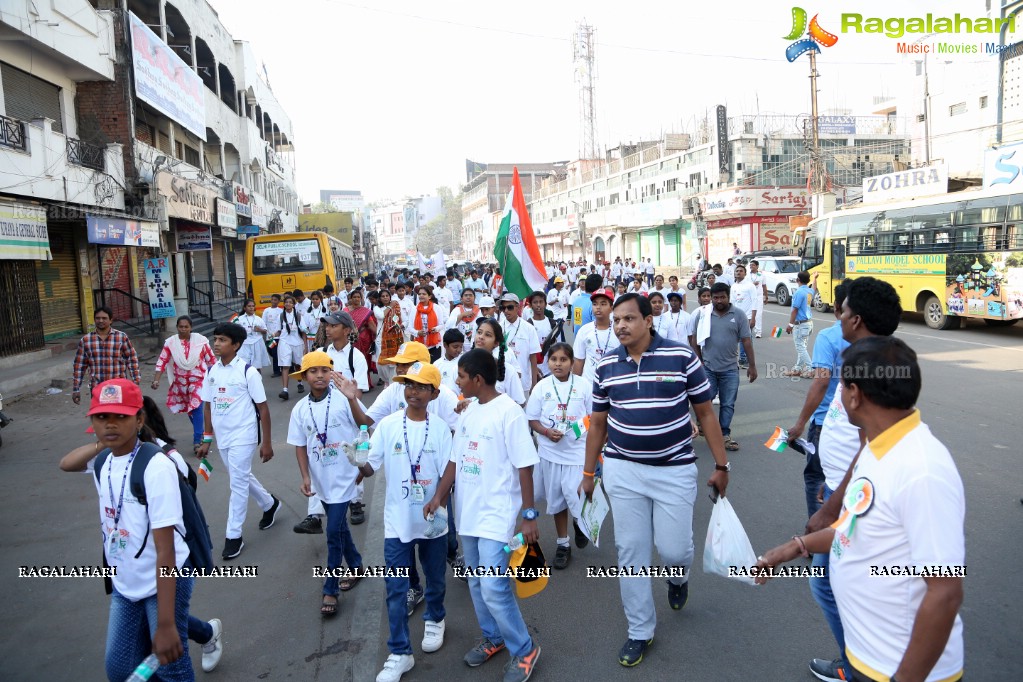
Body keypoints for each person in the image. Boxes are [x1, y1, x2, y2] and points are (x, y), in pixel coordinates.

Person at [755, 337, 964, 682]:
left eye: (840, 386)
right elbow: (858, 530)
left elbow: (945, 591)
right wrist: (795, 547)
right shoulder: (877, 446)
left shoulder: (922, 470)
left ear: (854, 394)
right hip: (867, 658)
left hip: (900, 671)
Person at [581, 293, 731, 668]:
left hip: (674, 471)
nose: (620, 326)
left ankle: (677, 577)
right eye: (616, 321)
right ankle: (639, 631)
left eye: (629, 319)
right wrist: (587, 473)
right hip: (623, 470)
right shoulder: (605, 367)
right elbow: (598, 423)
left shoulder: (680, 357)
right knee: (630, 552)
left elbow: (706, 414)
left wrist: (722, 465)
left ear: (649, 320)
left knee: (674, 550)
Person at [800, 276, 903, 682]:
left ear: (856, 319)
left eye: (841, 311)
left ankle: (858, 665)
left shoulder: (873, 368)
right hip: (851, 492)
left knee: (826, 584)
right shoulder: (874, 357)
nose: (837, 317)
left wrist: (830, 506)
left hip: (857, 501)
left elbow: (870, 446)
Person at [59, 379, 196, 681]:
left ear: (139, 419)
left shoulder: (156, 466)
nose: (111, 424)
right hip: (125, 581)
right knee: (120, 668)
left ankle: (185, 629)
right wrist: (103, 442)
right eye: (102, 417)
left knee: (172, 666)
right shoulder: (103, 459)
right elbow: (66, 464)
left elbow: (166, 549)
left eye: (121, 417)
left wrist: (165, 624)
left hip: (161, 578)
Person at [424, 349, 542, 682]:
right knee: (477, 582)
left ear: (477, 379)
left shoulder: (510, 413)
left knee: (493, 586)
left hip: (497, 516)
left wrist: (529, 515)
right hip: (469, 514)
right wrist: (439, 496)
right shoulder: (468, 412)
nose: (456, 382)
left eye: (460, 376)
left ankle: (525, 649)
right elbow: (454, 460)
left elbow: (525, 465)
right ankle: (494, 637)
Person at [358, 362, 453, 682]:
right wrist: (357, 463)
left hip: (432, 521)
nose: (413, 392)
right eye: (408, 386)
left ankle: (435, 618)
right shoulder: (387, 426)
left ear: (434, 393)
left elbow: (448, 471)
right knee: (396, 587)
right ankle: (400, 652)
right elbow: (370, 467)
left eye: (421, 387)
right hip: (397, 523)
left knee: (435, 578)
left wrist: (438, 497)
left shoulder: (439, 428)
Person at [286, 351, 370, 618]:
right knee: (340, 527)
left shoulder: (344, 399)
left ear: (332, 372)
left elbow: (365, 424)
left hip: (345, 476)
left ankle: (330, 588)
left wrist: (352, 398)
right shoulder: (300, 409)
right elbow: (300, 445)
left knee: (333, 532)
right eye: (313, 371)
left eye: (325, 370)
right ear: (305, 376)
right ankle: (356, 565)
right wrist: (306, 477)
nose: (319, 375)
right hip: (321, 480)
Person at [197, 324, 279, 560]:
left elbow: (263, 409)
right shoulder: (212, 371)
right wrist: (207, 439)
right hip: (223, 437)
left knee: (238, 484)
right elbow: (208, 406)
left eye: (222, 340)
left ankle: (233, 535)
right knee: (239, 475)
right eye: (215, 339)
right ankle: (269, 503)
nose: (216, 344)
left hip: (244, 435)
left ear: (236, 345)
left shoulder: (247, 372)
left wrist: (267, 443)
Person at [524, 343, 592, 569]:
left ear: (572, 362)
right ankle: (563, 544)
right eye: (554, 359)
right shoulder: (541, 387)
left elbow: (594, 417)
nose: (558, 364)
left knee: (576, 494)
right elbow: (532, 419)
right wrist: (545, 431)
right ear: (548, 362)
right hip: (550, 453)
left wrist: (577, 431)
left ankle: (579, 521)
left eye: (563, 359)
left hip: (577, 453)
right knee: (557, 500)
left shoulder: (584, 386)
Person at [786, 280, 851, 519]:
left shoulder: (830, 336)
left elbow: (821, 381)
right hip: (862, 423)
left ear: (836, 308)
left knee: (817, 476)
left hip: (826, 421)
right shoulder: (875, 338)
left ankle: (818, 537)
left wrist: (801, 423)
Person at [688, 282, 757, 451]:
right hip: (708, 368)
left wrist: (752, 366)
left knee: (728, 403)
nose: (719, 300)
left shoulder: (739, 315)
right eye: (715, 297)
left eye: (722, 297)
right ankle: (702, 421)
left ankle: (724, 434)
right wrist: (699, 360)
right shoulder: (703, 314)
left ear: (728, 297)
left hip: (730, 369)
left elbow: (746, 341)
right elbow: (694, 339)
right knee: (705, 399)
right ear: (711, 298)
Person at [151, 315, 216, 451]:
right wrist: (156, 379)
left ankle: (197, 440)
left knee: (197, 407)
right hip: (181, 383)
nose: (183, 329)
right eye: (181, 327)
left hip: (198, 381)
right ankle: (202, 432)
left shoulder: (201, 341)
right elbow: (162, 361)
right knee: (190, 410)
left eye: (186, 327)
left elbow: (211, 360)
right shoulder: (171, 343)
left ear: (191, 327)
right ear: (177, 327)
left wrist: (216, 379)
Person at [71, 306, 141, 405]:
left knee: (118, 417)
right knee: (101, 418)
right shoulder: (86, 340)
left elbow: (132, 360)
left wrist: (136, 382)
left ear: (111, 320)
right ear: (94, 320)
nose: (100, 321)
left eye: (104, 318)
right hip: (97, 388)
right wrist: (76, 389)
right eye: (98, 318)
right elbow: (79, 366)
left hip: (119, 387)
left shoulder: (121, 337)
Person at [573, 287, 619, 383]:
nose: (598, 307)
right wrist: (575, 385)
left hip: (613, 384)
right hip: (589, 385)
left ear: (611, 308)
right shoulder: (584, 331)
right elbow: (578, 360)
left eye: (603, 304)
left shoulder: (619, 331)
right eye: (595, 304)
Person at [499, 293, 541, 394]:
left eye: (509, 307)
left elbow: (533, 356)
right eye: (503, 308)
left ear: (517, 307)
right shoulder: (498, 328)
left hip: (523, 382)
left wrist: (534, 383)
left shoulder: (528, 328)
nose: (506, 311)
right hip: (502, 382)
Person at [783, 271, 816, 378]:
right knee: (802, 347)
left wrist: (790, 325)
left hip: (801, 325)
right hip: (808, 323)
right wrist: (815, 278)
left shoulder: (799, 293)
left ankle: (811, 369)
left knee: (800, 348)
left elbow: (794, 310)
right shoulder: (809, 291)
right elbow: (814, 288)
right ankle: (797, 369)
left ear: (798, 280)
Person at [275, 295, 307, 400]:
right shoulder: (280, 316)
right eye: (286, 302)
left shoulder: (298, 316)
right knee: (285, 366)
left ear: (294, 304)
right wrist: (272, 334)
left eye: (290, 302)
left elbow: (303, 332)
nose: (288, 304)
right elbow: (279, 331)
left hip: (297, 343)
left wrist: (305, 347)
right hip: (284, 342)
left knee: (298, 365)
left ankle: (300, 382)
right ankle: (285, 390)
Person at [345, 289, 378, 386]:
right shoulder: (345, 310)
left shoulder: (365, 311)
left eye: (358, 297)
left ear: (361, 298)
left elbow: (372, 325)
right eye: (354, 297)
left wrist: (377, 337)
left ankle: (365, 383)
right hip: (349, 339)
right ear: (350, 298)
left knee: (363, 360)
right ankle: (352, 383)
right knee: (351, 360)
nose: (356, 299)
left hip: (363, 338)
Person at [375, 290, 406, 384]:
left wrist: (402, 325)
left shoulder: (396, 307)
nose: (385, 298)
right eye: (383, 296)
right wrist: (389, 306)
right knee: (381, 363)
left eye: (387, 296)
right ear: (380, 298)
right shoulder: (377, 308)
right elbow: (381, 316)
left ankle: (393, 381)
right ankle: (386, 380)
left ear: (390, 297)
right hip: (382, 339)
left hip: (396, 338)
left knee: (394, 362)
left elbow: (404, 320)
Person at [730, 264, 757, 370]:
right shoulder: (733, 286)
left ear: (745, 273)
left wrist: (753, 317)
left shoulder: (750, 286)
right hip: (735, 317)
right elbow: (732, 302)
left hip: (748, 316)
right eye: (737, 271)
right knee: (735, 338)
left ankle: (744, 359)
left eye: (741, 271)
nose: (738, 272)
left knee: (745, 339)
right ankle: (738, 359)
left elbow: (755, 301)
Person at [234, 299, 272, 374]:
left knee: (256, 366)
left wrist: (259, 329)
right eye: (249, 306)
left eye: (253, 306)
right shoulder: (240, 319)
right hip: (244, 344)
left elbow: (266, 331)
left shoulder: (258, 319)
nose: (251, 308)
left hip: (256, 343)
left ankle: (257, 382)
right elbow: (235, 331)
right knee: (244, 365)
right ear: (244, 308)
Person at [525, 291, 555, 376]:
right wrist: (533, 368)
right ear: (530, 305)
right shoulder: (527, 325)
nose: (538, 305)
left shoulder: (552, 323)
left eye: (541, 302)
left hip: (550, 370)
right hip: (534, 371)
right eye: (535, 302)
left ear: (545, 304)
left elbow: (558, 347)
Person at [412, 285, 444, 362]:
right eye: (419, 294)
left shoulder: (436, 308)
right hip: (419, 346)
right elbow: (410, 327)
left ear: (429, 296)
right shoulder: (414, 309)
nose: (421, 296)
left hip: (434, 345)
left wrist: (436, 329)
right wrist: (417, 332)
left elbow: (442, 324)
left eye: (424, 294)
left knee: (433, 367)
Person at [446, 289, 482, 353]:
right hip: (460, 344)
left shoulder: (479, 311)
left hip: (475, 343)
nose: (468, 297)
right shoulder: (456, 310)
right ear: (461, 298)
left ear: (474, 297)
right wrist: (461, 315)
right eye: (466, 295)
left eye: (470, 295)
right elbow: (448, 326)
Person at [262, 294, 284, 377]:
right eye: (272, 299)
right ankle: (279, 368)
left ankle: (277, 371)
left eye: (275, 300)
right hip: (269, 337)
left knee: (276, 354)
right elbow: (263, 323)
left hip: (278, 336)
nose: (273, 301)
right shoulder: (266, 311)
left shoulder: (281, 311)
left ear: (278, 301)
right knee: (271, 352)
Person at [435, 330, 464, 394]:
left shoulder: (464, 362)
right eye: (455, 347)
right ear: (445, 345)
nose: (459, 350)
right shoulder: (437, 365)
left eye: (461, 347)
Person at [748, 260, 767, 338]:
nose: (751, 266)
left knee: (758, 314)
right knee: (749, 314)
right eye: (750, 265)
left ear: (757, 266)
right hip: (749, 297)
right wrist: (752, 284)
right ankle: (748, 330)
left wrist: (766, 296)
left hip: (758, 297)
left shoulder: (761, 275)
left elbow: (764, 286)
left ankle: (758, 331)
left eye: (753, 265)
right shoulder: (746, 275)